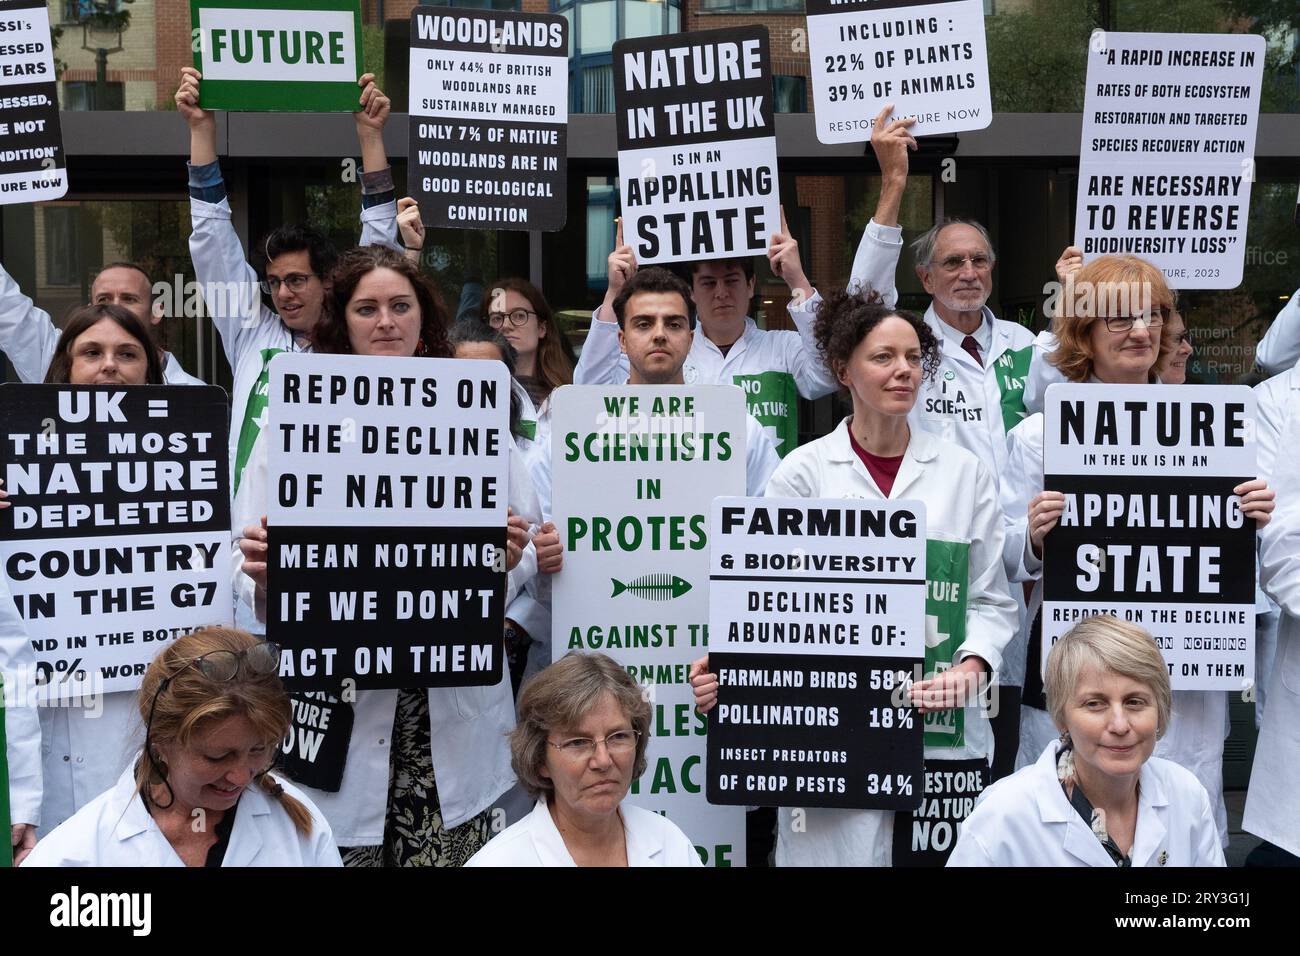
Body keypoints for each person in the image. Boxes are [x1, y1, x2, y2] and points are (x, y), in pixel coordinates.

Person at [233, 245, 538, 866]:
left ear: (424, 319)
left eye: (401, 306)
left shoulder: (472, 409)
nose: (386, 322)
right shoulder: (294, 414)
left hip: (446, 701)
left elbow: (524, 533)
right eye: (366, 308)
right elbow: (244, 552)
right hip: (335, 694)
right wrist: (262, 574)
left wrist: (505, 561)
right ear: (340, 319)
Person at [690, 288, 1018, 866]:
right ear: (844, 370)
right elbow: (764, 609)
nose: (903, 371)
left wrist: (972, 668)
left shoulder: (965, 473)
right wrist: (728, 672)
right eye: (883, 357)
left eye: (914, 358)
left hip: (939, 741)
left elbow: (991, 600)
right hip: (828, 745)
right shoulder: (802, 474)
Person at [1001, 254, 1275, 847]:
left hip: (1185, 670)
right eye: (1120, 319)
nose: (1142, 331)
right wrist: (1032, 538)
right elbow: (1002, 563)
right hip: (1080, 664)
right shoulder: (1039, 434)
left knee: (1180, 834)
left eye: (1152, 316)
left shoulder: (1217, 430)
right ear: (1083, 334)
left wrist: (1252, 521)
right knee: (1067, 833)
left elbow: (1235, 565)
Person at [851, 104, 1045, 779]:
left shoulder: (1031, 349)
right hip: (932, 578)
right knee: (919, 752)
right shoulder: (908, 348)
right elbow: (859, 306)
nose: (969, 271)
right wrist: (894, 186)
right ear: (926, 278)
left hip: (1021, 576)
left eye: (980, 260)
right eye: (952, 262)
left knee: (1002, 753)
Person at [177, 67, 401, 491]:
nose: (282, 293)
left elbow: (378, 249)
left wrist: (371, 137)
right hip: (250, 539)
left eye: (297, 280)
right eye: (274, 282)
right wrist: (201, 129)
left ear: (330, 282)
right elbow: (212, 240)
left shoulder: (356, 338)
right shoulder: (250, 333)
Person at [6, 305, 168, 837]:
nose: (109, 367)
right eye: (91, 353)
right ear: (64, 369)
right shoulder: (14, 465)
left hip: (150, 729)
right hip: (52, 736)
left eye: (127, 353)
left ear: (150, 368)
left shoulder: (194, 469)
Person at [576, 206, 897, 456]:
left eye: (731, 281)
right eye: (708, 283)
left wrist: (797, 281)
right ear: (691, 291)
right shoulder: (668, 352)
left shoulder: (782, 348)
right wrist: (613, 294)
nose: (721, 293)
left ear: (751, 285)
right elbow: (589, 388)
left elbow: (829, 375)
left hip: (761, 514)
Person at [22, 627, 340, 867]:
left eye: (259, 750)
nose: (242, 776)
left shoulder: (299, 827)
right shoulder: (74, 854)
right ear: (161, 740)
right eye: (218, 756)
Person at [947, 615, 1224, 867]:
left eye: (1135, 702)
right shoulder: (1002, 817)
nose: (1119, 724)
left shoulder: (1187, 796)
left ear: (1160, 710)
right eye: (1095, 704)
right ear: (1061, 717)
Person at [466, 652, 700, 867]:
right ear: (540, 761)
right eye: (577, 742)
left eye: (618, 736)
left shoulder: (669, 843)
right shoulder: (498, 861)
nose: (603, 760)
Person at [0, 260, 202, 387]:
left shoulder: (195, 396)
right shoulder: (57, 358)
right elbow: (9, 309)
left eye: (129, 299)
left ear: (156, 311)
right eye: (104, 299)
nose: (116, 308)